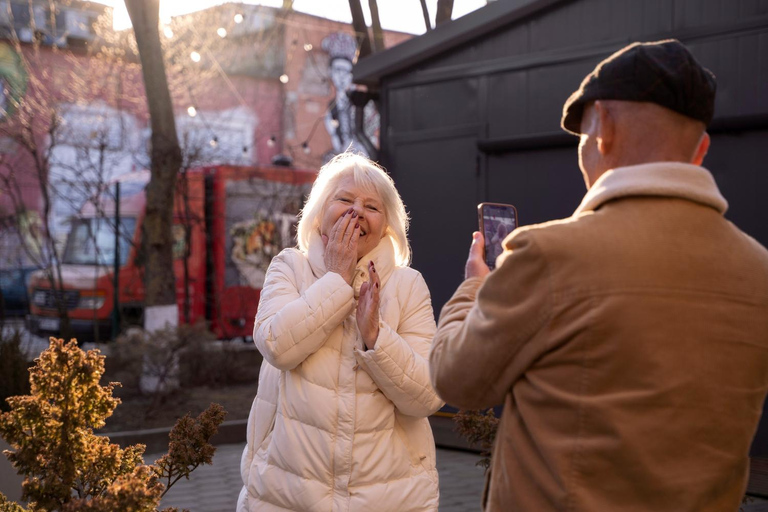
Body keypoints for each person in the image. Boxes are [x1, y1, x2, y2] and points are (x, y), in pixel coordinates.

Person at [429, 39, 768, 512]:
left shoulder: (549, 254)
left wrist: (474, 287)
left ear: (602, 128)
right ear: (701, 149)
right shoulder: (758, 271)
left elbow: (456, 379)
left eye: (583, 133)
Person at [238, 152, 443, 511]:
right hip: (287, 493)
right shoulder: (289, 267)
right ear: (319, 214)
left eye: (372, 207)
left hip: (391, 497)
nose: (356, 212)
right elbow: (276, 346)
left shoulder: (409, 286)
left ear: (387, 227)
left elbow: (428, 395)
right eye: (344, 200)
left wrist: (376, 336)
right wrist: (335, 280)